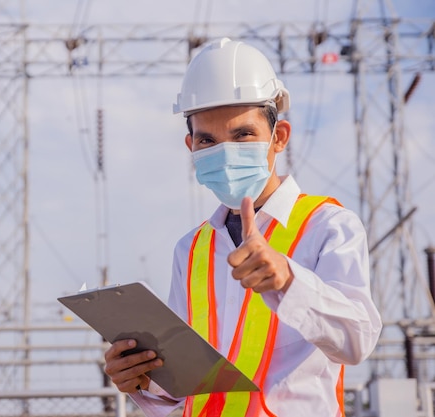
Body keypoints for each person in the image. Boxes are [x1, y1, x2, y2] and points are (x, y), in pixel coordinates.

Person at [103, 37, 382, 417]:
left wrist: (288, 280)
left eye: (243, 135)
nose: (225, 152)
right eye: (207, 140)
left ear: (279, 137)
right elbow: (187, 390)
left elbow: (357, 341)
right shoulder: (191, 248)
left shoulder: (328, 226)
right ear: (191, 147)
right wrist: (142, 378)